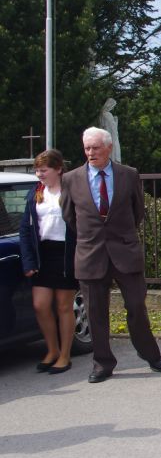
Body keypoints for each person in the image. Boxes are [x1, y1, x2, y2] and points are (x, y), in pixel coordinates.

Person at [60, 127, 161, 383]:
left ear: (108, 148)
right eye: (87, 148)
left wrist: (120, 235)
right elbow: (69, 217)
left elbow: (137, 211)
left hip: (125, 251)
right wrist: (93, 236)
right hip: (90, 254)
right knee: (95, 312)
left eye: (96, 148)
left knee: (136, 307)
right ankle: (102, 363)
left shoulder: (128, 175)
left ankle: (150, 354)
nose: (91, 153)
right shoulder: (71, 179)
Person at [19, 149, 78, 374]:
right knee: (40, 305)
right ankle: (51, 350)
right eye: (37, 170)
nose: (39, 174)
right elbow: (26, 229)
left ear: (58, 169)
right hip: (42, 253)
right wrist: (28, 261)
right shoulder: (36, 192)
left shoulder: (70, 190)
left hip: (65, 253)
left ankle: (64, 354)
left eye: (44, 170)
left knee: (64, 306)